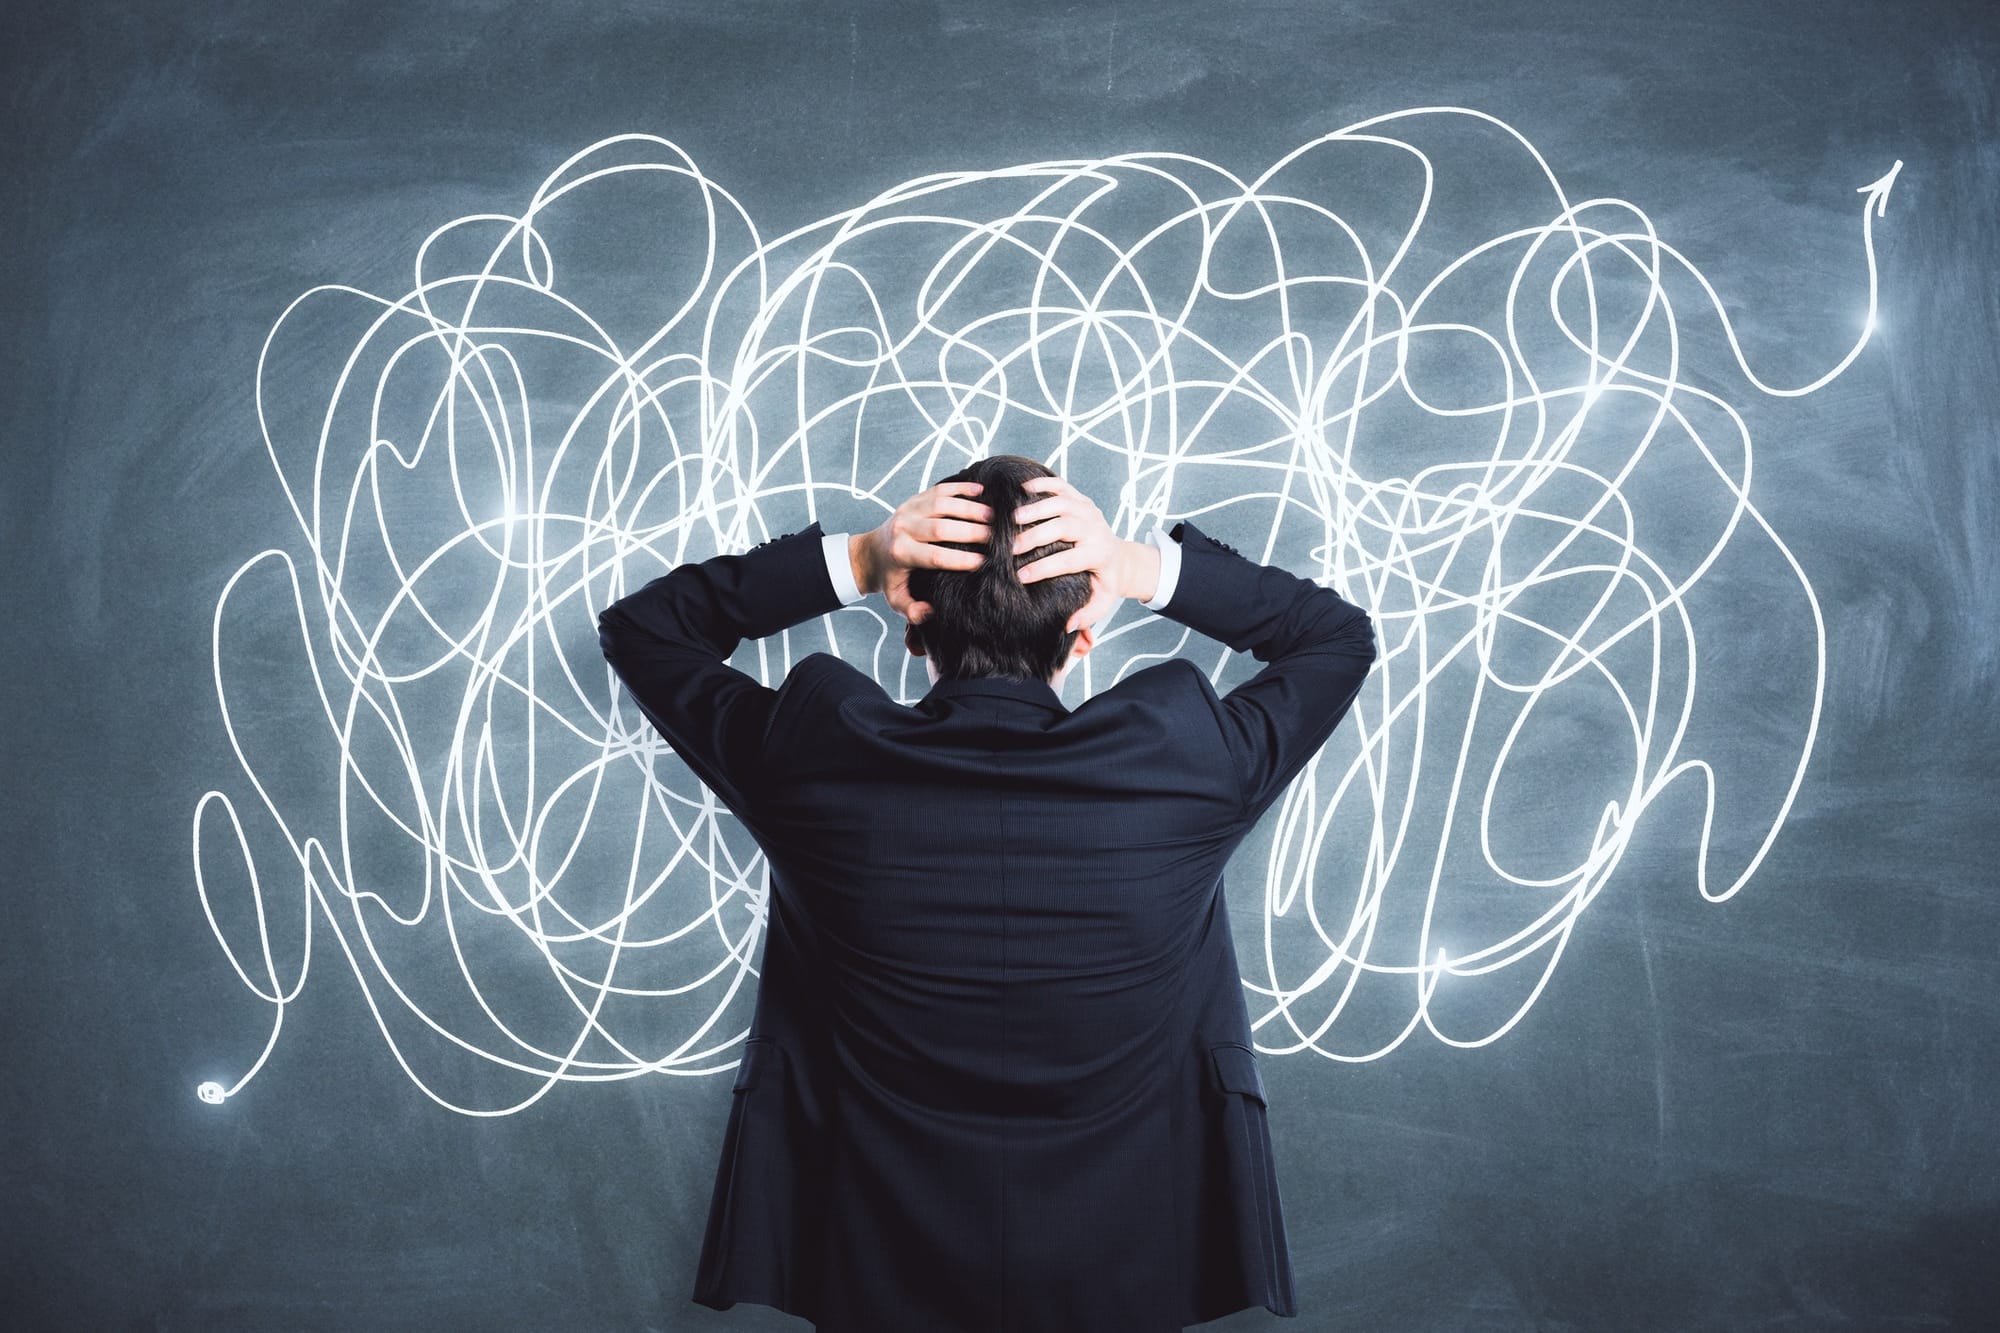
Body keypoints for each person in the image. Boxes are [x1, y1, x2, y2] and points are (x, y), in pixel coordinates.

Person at [596, 454, 1377, 1332]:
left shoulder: (813, 751)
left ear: (913, 623)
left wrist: (859, 558)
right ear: (1083, 629)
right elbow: (1336, 637)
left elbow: (645, 628)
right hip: (1125, 1270)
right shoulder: (1184, 758)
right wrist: (1132, 565)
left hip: (876, 1273)